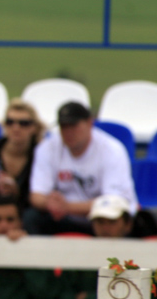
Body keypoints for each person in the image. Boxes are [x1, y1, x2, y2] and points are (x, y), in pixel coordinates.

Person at [25, 101, 137, 236]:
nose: (68, 132)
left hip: (101, 218)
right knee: (31, 218)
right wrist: (50, 203)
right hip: (63, 217)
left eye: (73, 126)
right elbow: (36, 195)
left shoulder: (112, 149)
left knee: (113, 220)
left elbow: (113, 202)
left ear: (90, 123)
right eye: (63, 126)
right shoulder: (47, 148)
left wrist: (67, 207)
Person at [0, 99, 45, 217]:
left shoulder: (42, 155)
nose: (16, 127)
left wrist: (18, 193)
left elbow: (44, 198)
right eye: (10, 122)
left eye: (24, 123)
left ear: (34, 127)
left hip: (30, 217)